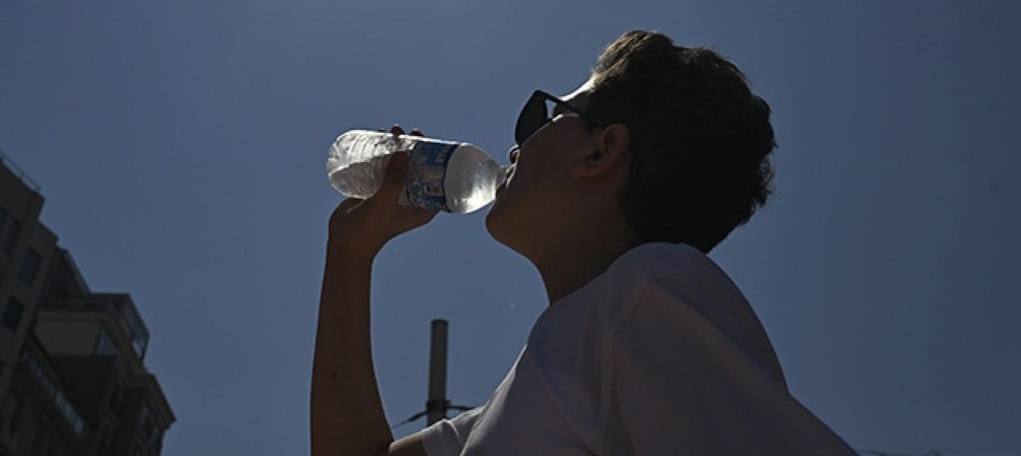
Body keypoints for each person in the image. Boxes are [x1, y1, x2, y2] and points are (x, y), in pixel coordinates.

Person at [311, 30, 856, 455]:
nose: (517, 145)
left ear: (601, 152)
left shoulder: (646, 295)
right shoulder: (550, 374)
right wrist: (351, 253)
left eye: (544, 116)